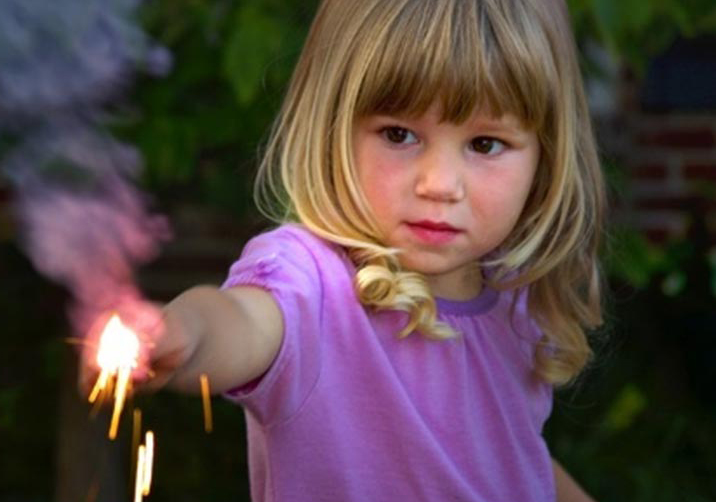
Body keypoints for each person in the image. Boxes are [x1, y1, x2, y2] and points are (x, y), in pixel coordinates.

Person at [140, 0, 605, 500]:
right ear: (334, 128)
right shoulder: (313, 282)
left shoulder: (517, 295)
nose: (440, 184)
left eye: (486, 144)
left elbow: (510, 460)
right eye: (399, 134)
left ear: (546, 155)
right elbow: (242, 320)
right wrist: (184, 331)